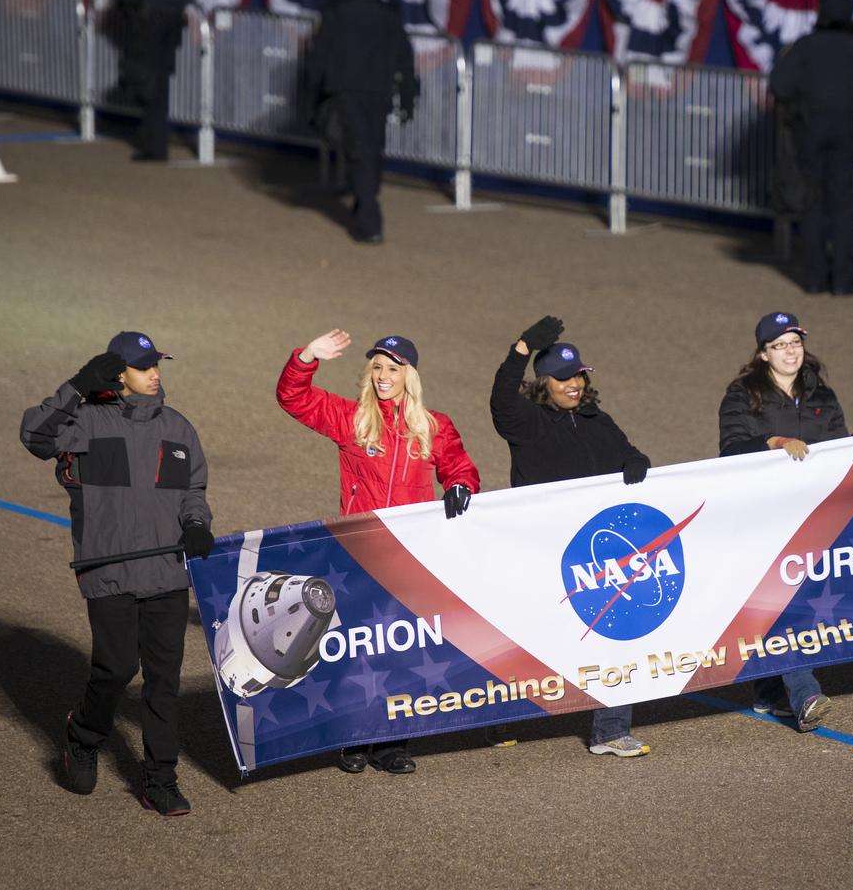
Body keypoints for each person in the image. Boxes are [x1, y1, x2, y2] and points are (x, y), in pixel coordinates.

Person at [19, 332, 214, 816]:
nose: (156, 374)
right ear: (117, 375)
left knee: (163, 680)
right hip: (108, 572)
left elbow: (194, 491)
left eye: (157, 365)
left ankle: (159, 778)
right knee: (116, 668)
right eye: (144, 367)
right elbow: (35, 437)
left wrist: (196, 525)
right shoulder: (84, 422)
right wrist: (75, 386)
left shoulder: (178, 428)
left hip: (168, 573)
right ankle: (82, 735)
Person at [276, 328, 479, 774]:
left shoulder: (434, 426)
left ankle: (392, 742)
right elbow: (293, 398)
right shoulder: (351, 418)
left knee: (402, 651)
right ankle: (354, 737)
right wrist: (308, 355)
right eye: (377, 368)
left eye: (392, 368)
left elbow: (459, 466)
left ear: (411, 375)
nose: (383, 376)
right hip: (359, 553)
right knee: (358, 648)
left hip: (411, 557)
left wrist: (461, 485)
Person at [490, 316, 652, 757]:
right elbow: (502, 400)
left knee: (614, 632)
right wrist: (520, 350)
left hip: (594, 553)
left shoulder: (598, 419)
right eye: (563, 378)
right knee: (534, 635)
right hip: (542, 547)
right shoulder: (528, 422)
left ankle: (611, 731)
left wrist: (637, 460)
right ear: (544, 384)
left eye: (578, 374)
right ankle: (507, 719)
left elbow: (628, 453)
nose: (573, 383)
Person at [719, 311, 853, 731]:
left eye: (795, 343)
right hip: (764, 517)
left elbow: (834, 450)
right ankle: (805, 693)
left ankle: (768, 689)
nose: (790, 352)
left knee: (790, 603)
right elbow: (730, 451)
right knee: (785, 604)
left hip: (810, 516)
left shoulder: (820, 393)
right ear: (762, 354)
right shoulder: (742, 396)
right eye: (780, 345)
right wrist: (772, 442)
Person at [768, 0, 853, 295]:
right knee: (843, 204)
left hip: (809, 127)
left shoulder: (806, 45)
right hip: (847, 127)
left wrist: (802, 104)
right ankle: (842, 279)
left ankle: (813, 279)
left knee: (812, 202)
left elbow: (779, 86)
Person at [305, 0, 418, 243]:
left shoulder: (334, 13)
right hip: (379, 90)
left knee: (360, 150)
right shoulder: (388, 13)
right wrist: (408, 97)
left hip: (346, 90)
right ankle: (365, 201)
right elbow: (406, 57)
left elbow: (316, 61)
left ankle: (369, 219)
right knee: (372, 147)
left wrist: (310, 102)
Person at [113, 0, 205, 162]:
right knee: (160, 79)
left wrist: (125, 0)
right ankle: (156, 143)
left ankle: (154, 144)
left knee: (146, 77)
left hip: (149, 14)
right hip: (174, 14)